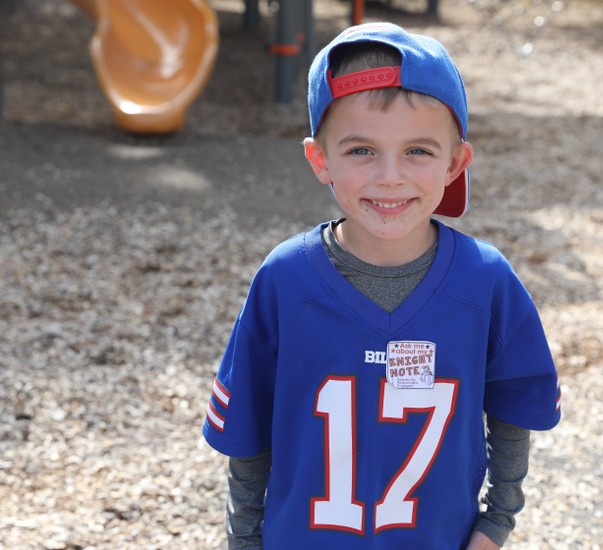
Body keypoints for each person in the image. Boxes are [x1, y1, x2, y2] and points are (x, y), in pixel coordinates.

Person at [202, 22, 561, 549]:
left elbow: (511, 412)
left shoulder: (484, 282)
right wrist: (244, 540)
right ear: (319, 159)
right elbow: (248, 437)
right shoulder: (285, 280)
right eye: (361, 151)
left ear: (456, 161)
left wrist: (496, 523)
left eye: (417, 150)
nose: (390, 176)